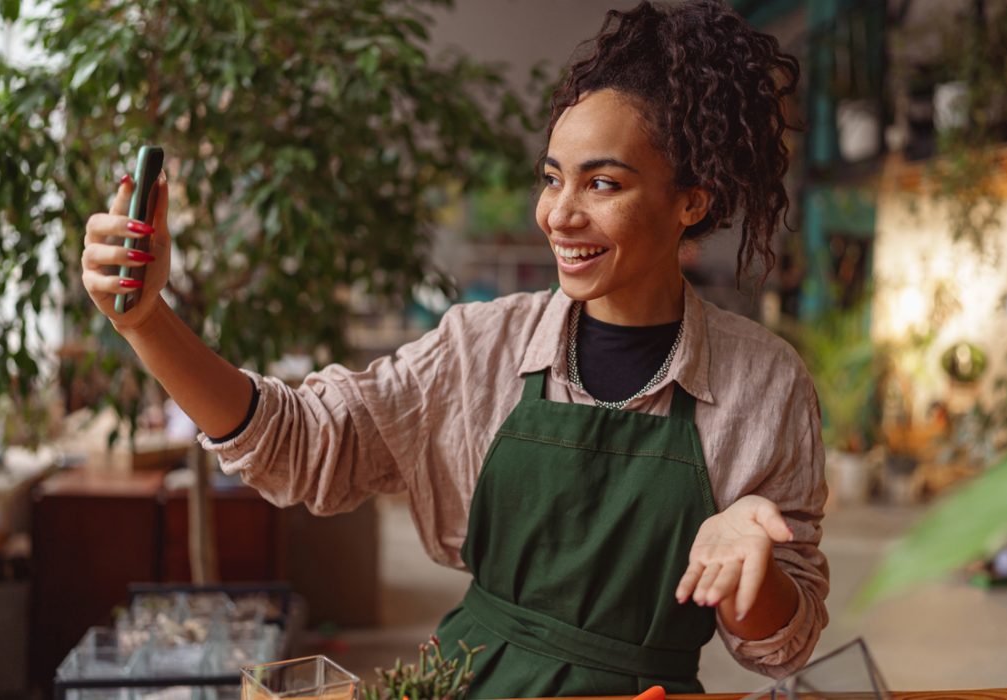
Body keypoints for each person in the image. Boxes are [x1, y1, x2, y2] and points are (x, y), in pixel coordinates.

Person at [81, 0, 827, 695]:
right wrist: (148, 322)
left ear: (691, 201)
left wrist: (749, 570)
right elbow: (298, 443)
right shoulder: (481, 346)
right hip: (470, 681)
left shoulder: (762, 382)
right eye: (551, 178)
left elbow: (782, 647)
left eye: (602, 184)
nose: (559, 214)